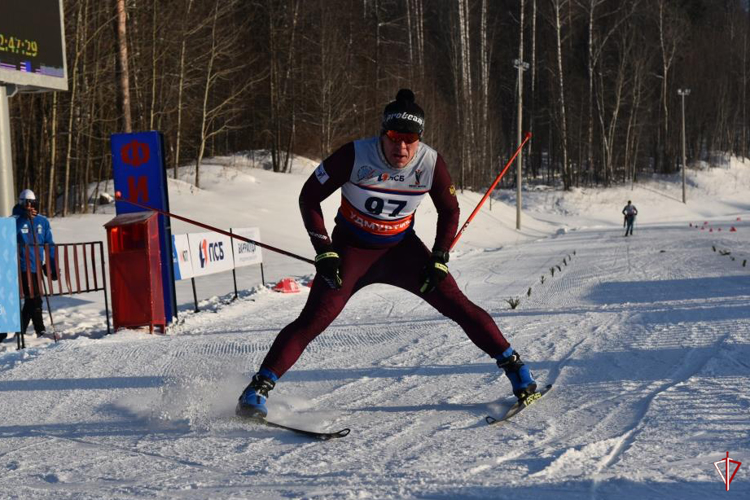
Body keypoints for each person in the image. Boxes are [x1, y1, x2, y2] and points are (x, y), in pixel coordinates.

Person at [236, 89, 538, 419]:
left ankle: (517, 370)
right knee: (315, 320)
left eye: (410, 139)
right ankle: (257, 389)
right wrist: (324, 250)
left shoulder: (430, 163)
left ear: (419, 138)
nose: (402, 148)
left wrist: (439, 256)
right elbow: (309, 197)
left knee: (458, 305)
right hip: (351, 250)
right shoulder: (354, 155)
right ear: (384, 133)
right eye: (395, 137)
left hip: (401, 251)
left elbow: (449, 210)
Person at [13, 189, 57, 338]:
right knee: (34, 298)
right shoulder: (14, 219)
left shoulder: (42, 221)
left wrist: (51, 265)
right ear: (20, 203)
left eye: (32, 203)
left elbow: (49, 243)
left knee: (33, 298)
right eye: (26, 203)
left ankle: (21, 331)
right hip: (22, 266)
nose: (29, 206)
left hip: (37, 265)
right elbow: (7, 234)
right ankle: (40, 330)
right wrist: (23, 220)